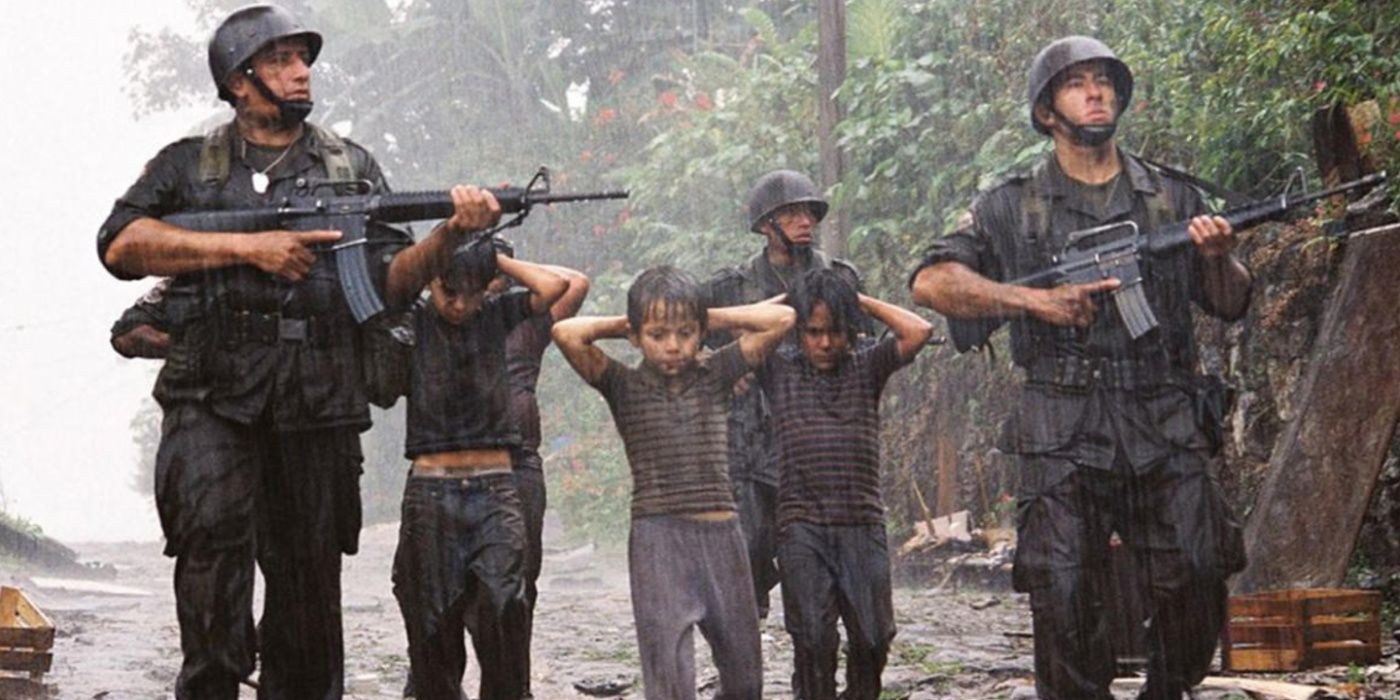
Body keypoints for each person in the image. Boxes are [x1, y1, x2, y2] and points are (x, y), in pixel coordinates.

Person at [96, 5, 504, 698]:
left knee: (310, 582)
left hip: (318, 399)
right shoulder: (187, 166)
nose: (301, 71)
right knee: (212, 557)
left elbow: (389, 285)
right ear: (239, 79)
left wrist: (447, 236)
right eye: (282, 60)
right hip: (212, 397)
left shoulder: (349, 164)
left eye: (303, 58)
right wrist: (246, 247)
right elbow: (120, 246)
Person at [909, 36, 1250, 700]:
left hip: (1163, 412)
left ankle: (1164, 690)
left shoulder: (1169, 195)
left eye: (1105, 82)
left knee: (1201, 566)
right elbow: (931, 282)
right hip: (1061, 423)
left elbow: (1233, 302)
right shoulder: (1012, 204)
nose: (1096, 93)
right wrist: (1030, 298)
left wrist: (1217, 256)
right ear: (1047, 112)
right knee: (1063, 593)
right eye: (1077, 84)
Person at [552, 266, 796, 700]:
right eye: (658, 333)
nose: (673, 346)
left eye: (685, 333)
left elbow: (782, 320)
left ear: (699, 332)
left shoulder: (718, 373)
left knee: (745, 680)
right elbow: (567, 332)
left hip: (722, 536)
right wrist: (628, 321)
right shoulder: (621, 384)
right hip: (658, 539)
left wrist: (707, 317)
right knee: (668, 680)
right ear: (635, 335)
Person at [391, 238, 568, 700]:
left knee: (505, 607)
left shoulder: (496, 315)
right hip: (431, 488)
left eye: (472, 292)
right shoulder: (411, 322)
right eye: (450, 292)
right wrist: (437, 253)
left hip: (496, 486)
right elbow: (384, 293)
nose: (460, 305)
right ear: (432, 282)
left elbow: (558, 284)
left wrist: (493, 258)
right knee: (430, 622)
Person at [759, 269, 932, 700]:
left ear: (850, 330)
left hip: (861, 522)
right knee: (813, 639)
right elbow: (728, 326)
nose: (824, 343)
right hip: (801, 527)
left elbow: (919, 329)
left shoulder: (868, 364)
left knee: (873, 637)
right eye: (813, 331)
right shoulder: (777, 369)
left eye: (834, 331)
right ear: (797, 331)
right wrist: (790, 300)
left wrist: (856, 300)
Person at [703, 169, 867, 618]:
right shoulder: (732, 286)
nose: (805, 222)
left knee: (817, 560)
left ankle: (811, 649)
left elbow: (867, 344)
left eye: (810, 213)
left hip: (820, 437)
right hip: (751, 439)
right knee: (747, 547)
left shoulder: (840, 278)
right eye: (792, 214)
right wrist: (722, 364)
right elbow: (681, 328)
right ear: (765, 225)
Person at [502, 259, 590, 698]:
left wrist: (499, 257)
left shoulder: (527, 325)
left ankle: (516, 679)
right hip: (452, 462)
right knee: (444, 581)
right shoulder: (444, 320)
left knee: (521, 578)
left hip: (519, 462)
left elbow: (574, 283)